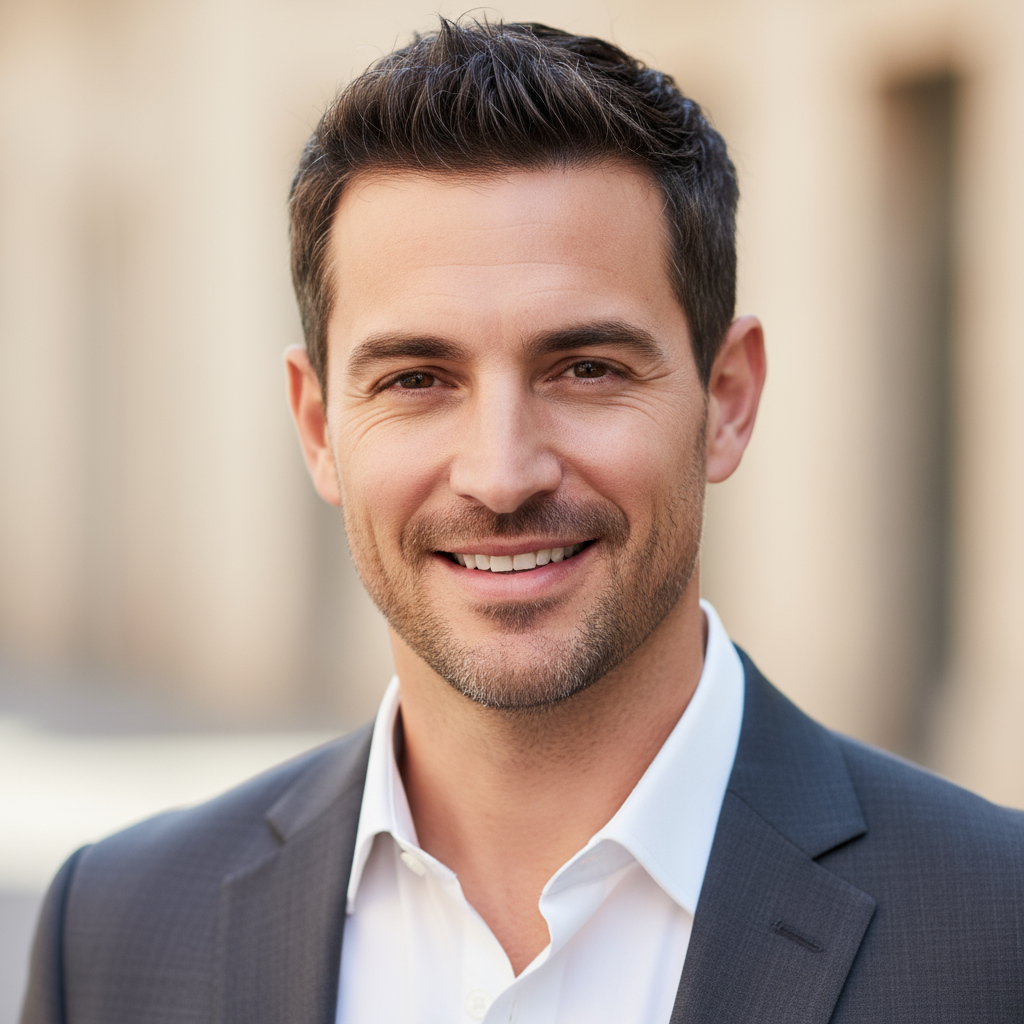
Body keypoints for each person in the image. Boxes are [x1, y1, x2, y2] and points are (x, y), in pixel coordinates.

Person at [20, 19, 1024, 1024]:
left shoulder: (996, 928)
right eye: (417, 379)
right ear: (320, 426)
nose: (500, 475)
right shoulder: (115, 934)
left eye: (586, 369)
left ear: (726, 399)